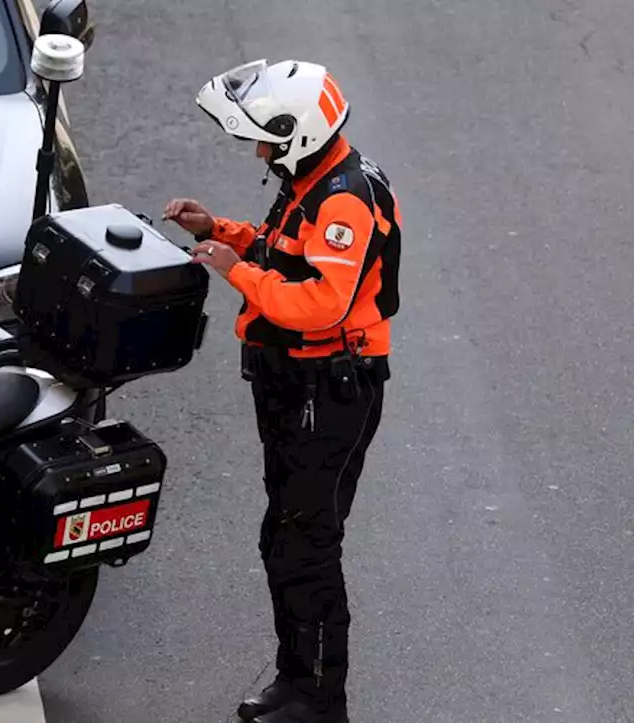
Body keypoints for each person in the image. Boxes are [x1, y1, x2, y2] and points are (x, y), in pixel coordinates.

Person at [163, 59, 401, 723]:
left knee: (306, 542)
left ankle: (321, 699)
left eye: (265, 138)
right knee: (285, 536)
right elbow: (284, 250)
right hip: (300, 383)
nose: (258, 150)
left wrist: (236, 271)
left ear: (298, 132)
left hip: (328, 388)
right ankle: (297, 683)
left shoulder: (345, 198)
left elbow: (323, 302)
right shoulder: (315, 178)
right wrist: (219, 231)